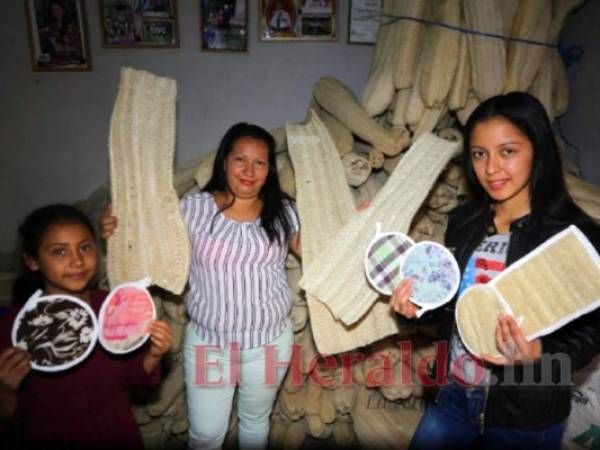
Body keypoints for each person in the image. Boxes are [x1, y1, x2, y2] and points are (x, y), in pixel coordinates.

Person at [390, 92, 600, 450]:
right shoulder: (463, 221)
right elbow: (454, 307)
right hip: (453, 394)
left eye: (508, 151)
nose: (490, 168)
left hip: (524, 412)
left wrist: (539, 355)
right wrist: (420, 307)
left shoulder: (574, 237)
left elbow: (591, 332)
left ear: (538, 149)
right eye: (479, 153)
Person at [101, 123, 300, 450]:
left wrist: (353, 222)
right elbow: (153, 246)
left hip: (269, 343)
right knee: (206, 435)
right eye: (240, 160)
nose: (249, 171)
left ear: (270, 169)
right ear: (224, 162)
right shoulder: (194, 209)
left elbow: (313, 246)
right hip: (211, 344)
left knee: (254, 425)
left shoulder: (284, 211)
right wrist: (117, 230)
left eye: (259, 163)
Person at [0, 204, 172, 449]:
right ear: (33, 261)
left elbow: (134, 376)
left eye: (85, 247)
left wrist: (155, 353)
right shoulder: (14, 328)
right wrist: (5, 390)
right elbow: (11, 418)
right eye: (59, 252)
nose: (77, 261)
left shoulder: (113, 306)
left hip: (117, 431)